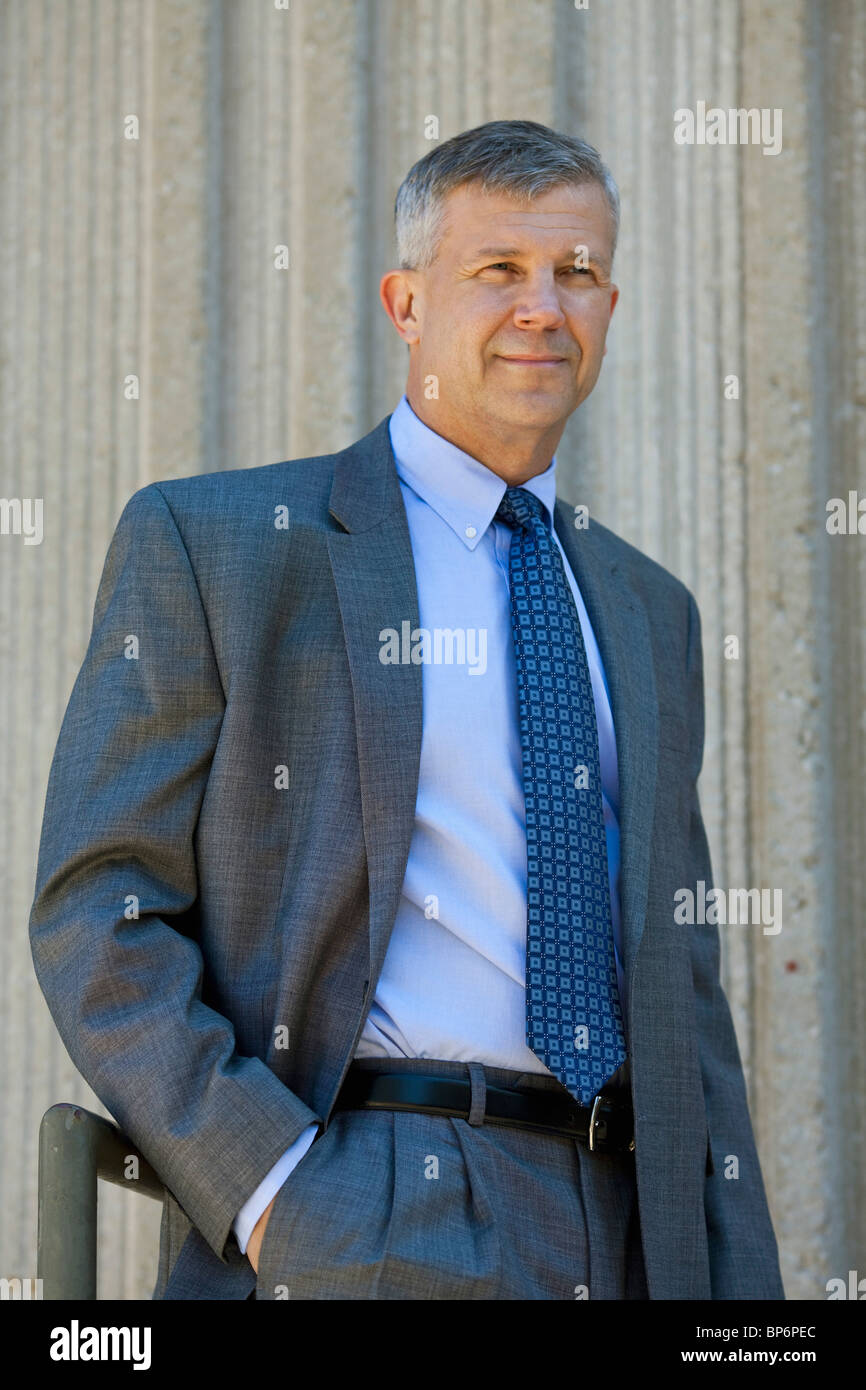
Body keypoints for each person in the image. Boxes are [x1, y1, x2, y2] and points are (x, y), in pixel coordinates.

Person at [29, 119, 784, 1300]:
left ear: (608, 305)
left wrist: (740, 1302)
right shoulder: (221, 547)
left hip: (626, 1231)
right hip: (368, 1197)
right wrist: (272, 1190)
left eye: (575, 273)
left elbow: (682, 993)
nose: (542, 306)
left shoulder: (650, 610)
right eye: (498, 271)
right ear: (404, 304)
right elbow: (98, 907)